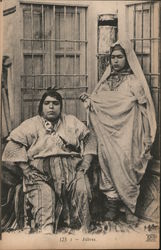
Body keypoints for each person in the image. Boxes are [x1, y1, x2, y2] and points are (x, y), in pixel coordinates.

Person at [80, 39, 156, 224]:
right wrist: (89, 100)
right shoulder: (105, 82)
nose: (115, 61)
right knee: (107, 166)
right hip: (107, 136)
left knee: (127, 166)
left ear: (127, 58)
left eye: (119, 57)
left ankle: (130, 208)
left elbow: (144, 108)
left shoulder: (134, 82)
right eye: (112, 57)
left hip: (129, 134)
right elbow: (99, 104)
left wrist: (147, 136)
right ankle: (112, 208)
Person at [2, 89, 97, 234]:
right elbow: (13, 145)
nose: (51, 107)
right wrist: (26, 169)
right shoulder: (31, 124)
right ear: (41, 106)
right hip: (40, 174)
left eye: (55, 103)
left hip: (71, 170)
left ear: (61, 106)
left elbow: (89, 139)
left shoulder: (71, 121)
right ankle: (47, 229)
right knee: (44, 198)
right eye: (47, 103)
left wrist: (86, 162)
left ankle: (80, 227)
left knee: (81, 191)